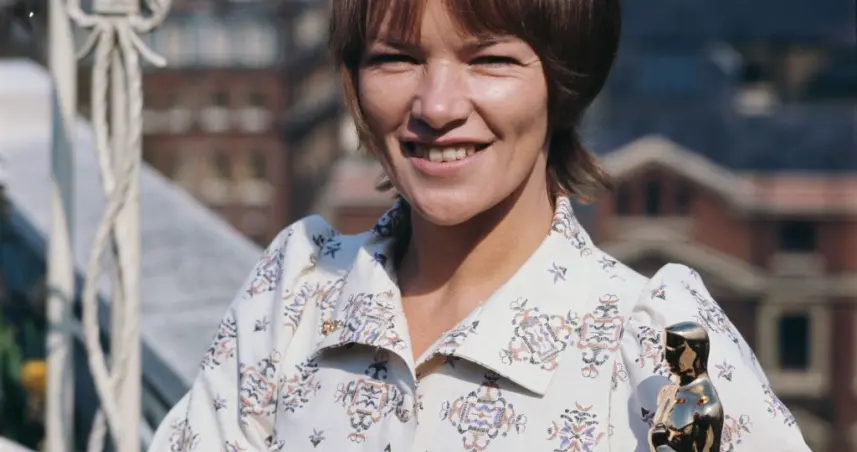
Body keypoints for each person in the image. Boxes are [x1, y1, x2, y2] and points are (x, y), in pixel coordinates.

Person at [149, 0, 811, 450]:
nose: (436, 107)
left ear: (563, 83)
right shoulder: (297, 291)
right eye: (395, 58)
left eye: (490, 60)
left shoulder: (656, 350)